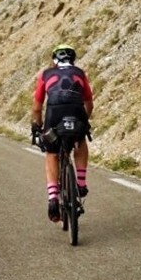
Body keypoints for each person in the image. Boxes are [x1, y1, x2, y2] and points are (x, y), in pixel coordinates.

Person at [31, 45, 93, 222]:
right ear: (73, 59)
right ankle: (80, 183)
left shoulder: (46, 74)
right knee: (80, 141)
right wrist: (84, 122)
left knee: (51, 153)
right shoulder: (80, 73)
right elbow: (89, 103)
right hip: (76, 110)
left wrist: (38, 126)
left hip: (54, 113)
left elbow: (36, 107)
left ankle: (52, 198)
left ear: (54, 60)